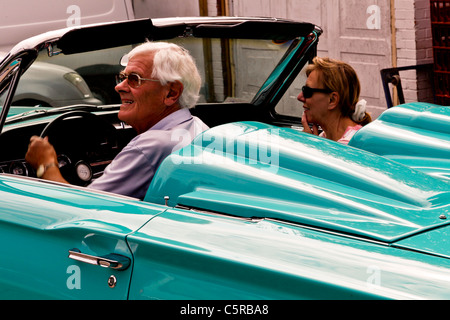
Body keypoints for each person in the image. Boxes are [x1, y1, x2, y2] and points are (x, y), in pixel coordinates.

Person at [26, 42, 209, 200]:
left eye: (134, 79)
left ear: (171, 93)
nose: (118, 87)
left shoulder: (148, 147)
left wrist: (46, 165)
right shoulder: (198, 126)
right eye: (122, 77)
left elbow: (81, 206)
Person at [298, 57, 371, 145]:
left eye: (307, 91)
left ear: (332, 100)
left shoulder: (351, 146)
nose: (300, 97)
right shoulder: (326, 137)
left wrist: (309, 147)